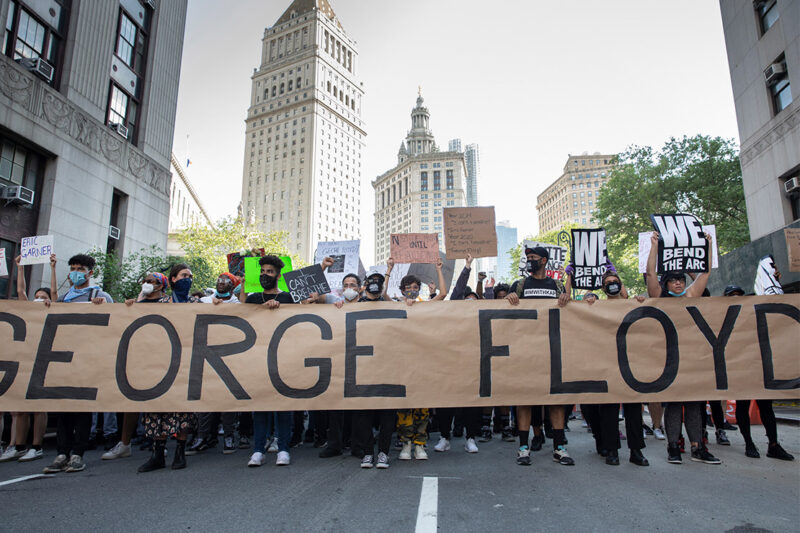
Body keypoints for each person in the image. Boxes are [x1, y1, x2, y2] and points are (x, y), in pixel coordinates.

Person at [646, 231, 720, 465]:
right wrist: (655, 246)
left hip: (693, 358)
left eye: (681, 279)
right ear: (666, 283)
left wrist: (707, 246)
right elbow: (650, 273)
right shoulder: (659, 297)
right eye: (673, 279)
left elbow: (705, 272)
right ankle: (673, 447)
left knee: (695, 404)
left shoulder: (690, 295)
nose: (678, 282)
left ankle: (698, 446)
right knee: (674, 404)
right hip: (669, 359)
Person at [41, 254, 113, 474]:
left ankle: (77, 454)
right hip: (63, 361)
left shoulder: (100, 296)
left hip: (87, 360)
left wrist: (101, 308)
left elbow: (116, 324)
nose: (75, 272)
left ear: (90, 272)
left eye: (80, 268)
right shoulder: (64, 299)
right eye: (72, 268)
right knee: (63, 408)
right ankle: (61, 453)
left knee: (82, 410)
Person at [245, 255, 316, 468]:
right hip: (258, 359)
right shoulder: (252, 299)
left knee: (283, 406)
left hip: (284, 358)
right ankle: (258, 450)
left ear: (277, 275)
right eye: (263, 271)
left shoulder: (288, 298)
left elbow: (304, 317)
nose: (265, 275)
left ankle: (283, 448)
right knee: (260, 406)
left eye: (269, 272)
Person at [576, 269, 649, 467]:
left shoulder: (633, 304)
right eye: (608, 282)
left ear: (620, 284)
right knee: (608, 410)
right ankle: (612, 450)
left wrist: (643, 302)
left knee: (633, 409)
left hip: (629, 365)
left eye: (614, 281)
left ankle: (636, 450)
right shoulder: (598, 307)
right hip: (607, 365)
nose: (612, 284)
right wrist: (588, 306)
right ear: (603, 287)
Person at [507, 246, 571, 466]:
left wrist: (567, 298)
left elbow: (571, 312)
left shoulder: (557, 285)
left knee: (555, 400)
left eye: (533, 258)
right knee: (525, 399)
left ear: (544, 260)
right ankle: (523, 447)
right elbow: (505, 312)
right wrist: (510, 297)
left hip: (552, 349)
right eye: (527, 258)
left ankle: (559, 447)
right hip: (525, 350)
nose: (529, 261)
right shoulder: (520, 285)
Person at [137, 264, 199, 473]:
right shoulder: (158, 303)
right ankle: (158, 453)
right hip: (159, 361)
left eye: (190, 276)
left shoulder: (196, 302)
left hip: (186, 362)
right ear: (172, 279)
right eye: (183, 275)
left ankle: (180, 451)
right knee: (156, 405)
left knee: (182, 408)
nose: (187, 279)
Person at [334, 272, 396, 470]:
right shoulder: (354, 306)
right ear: (365, 286)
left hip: (386, 364)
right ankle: (368, 452)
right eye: (372, 282)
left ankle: (384, 452)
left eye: (379, 282)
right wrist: (338, 308)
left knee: (387, 412)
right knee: (362, 413)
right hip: (361, 366)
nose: (375, 286)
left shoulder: (390, 305)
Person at [387, 255, 446, 460]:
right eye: (409, 287)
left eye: (415, 286)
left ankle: (420, 443)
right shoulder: (395, 305)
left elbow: (444, 294)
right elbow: (383, 295)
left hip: (422, 363)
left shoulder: (424, 305)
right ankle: (406, 443)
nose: (412, 290)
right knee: (404, 406)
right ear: (402, 290)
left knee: (422, 405)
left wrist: (438, 269)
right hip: (402, 364)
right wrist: (389, 270)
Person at [730, 273, 795, 461]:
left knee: (766, 406)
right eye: (732, 296)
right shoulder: (723, 321)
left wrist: (774, 282)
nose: (737, 299)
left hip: (759, 368)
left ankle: (774, 445)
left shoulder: (754, 315)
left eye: (739, 295)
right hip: (740, 369)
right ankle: (749, 443)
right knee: (742, 407)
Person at [0, 254, 57, 463]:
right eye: (37, 296)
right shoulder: (26, 312)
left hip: (44, 362)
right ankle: (18, 445)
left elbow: (55, 293)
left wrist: (52, 268)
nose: (40, 299)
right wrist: (20, 268)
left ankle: (36, 446)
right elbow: (20, 291)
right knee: (19, 406)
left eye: (44, 297)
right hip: (24, 361)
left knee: (38, 407)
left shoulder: (54, 312)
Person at [189, 272, 243, 456]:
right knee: (205, 399)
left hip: (229, 356)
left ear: (232, 285)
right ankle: (202, 436)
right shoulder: (205, 302)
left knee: (227, 399)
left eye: (226, 281)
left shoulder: (236, 304)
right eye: (219, 280)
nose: (221, 283)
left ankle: (229, 435)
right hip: (205, 355)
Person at [434, 254, 482, 454]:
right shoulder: (455, 312)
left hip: (472, 366)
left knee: (471, 404)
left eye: (474, 300)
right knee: (446, 403)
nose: (469, 302)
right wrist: (467, 267)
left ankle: (471, 438)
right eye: (466, 300)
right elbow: (457, 291)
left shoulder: (481, 319)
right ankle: (444, 437)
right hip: (450, 365)